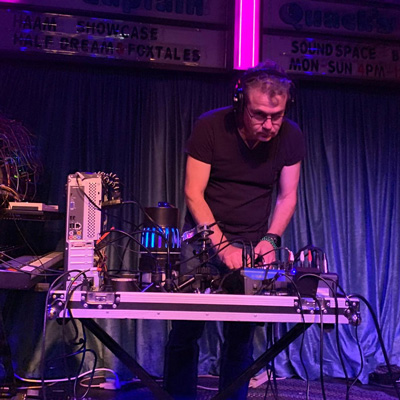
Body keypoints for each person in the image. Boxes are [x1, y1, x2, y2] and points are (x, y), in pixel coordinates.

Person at [163, 60, 306, 399]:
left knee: (241, 336)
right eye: (259, 115)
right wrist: (223, 246)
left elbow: (287, 197)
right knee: (185, 332)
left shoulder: (291, 135)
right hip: (202, 240)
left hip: (254, 242)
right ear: (241, 103)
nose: (269, 125)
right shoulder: (211, 126)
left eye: (277, 115)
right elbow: (192, 194)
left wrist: (270, 240)